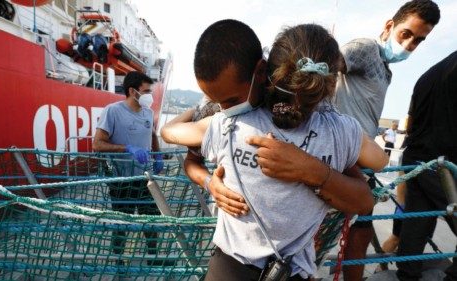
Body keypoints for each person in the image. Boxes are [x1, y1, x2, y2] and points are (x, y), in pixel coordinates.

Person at [162, 20, 387, 280]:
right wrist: (316, 170)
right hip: (291, 271)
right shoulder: (340, 131)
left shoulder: (230, 123)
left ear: (268, 71)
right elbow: (378, 164)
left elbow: (171, 133)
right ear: (327, 85)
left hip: (230, 266)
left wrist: (208, 177)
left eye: (230, 101)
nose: (224, 107)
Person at [332, 1, 440, 278]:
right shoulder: (366, 48)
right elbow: (326, 68)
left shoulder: (387, 71)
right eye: (406, 34)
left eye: (418, 40)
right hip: (340, 156)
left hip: (360, 160)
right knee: (322, 232)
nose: (409, 44)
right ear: (390, 26)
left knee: (362, 229)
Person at [395, 51, 457, 281]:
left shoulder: (428, 74)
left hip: (417, 159)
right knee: (416, 224)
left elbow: (410, 121)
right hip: (444, 164)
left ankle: (407, 276)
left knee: (416, 225)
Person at [93, 71, 164, 265]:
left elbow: (152, 135)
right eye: (146, 91)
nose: (150, 95)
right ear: (132, 91)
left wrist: (158, 156)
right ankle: (118, 261)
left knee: (151, 217)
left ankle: (152, 258)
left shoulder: (147, 112)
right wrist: (127, 148)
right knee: (121, 221)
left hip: (144, 177)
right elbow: (97, 144)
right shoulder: (113, 111)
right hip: (120, 179)